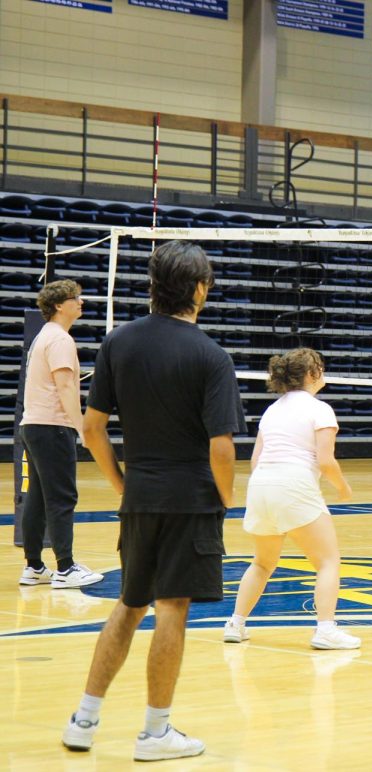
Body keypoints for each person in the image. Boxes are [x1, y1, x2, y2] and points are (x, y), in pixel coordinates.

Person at [62, 241, 245, 761]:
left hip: (140, 496)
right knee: (172, 610)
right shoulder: (211, 356)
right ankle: (155, 733)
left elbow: (92, 429)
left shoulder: (118, 343)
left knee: (129, 604)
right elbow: (222, 447)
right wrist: (225, 499)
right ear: (200, 290)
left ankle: (84, 719)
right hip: (190, 500)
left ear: (152, 287)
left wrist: (123, 484)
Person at [223, 347, 359, 650]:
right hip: (293, 484)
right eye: (320, 367)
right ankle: (325, 629)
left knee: (262, 563)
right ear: (312, 374)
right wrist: (343, 487)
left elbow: (256, 461)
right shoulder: (320, 409)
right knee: (327, 561)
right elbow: (326, 461)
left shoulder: (272, 410)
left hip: (261, 486)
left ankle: (236, 623)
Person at [18, 279, 103, 589]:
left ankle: (34, 566)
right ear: (58, 304)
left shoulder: (46, 336)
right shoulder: (60, 340)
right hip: (52, 426)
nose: (81, 302)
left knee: (38, 499)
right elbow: (65, 385)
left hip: (33, 425)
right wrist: (81, 427)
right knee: (62, 497)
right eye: (75, 298)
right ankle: (65, 568)